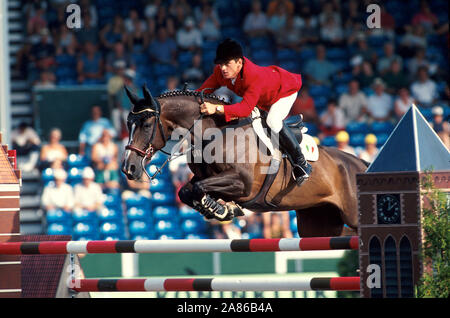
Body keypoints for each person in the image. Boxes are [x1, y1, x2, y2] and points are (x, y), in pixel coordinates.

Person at [197, 38, 311, 185]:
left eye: (227, 64)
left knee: (273, 121)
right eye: (220, 64)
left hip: (284, 91)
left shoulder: (253, 76)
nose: (223, 68)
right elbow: (202, 92)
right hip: (263, 99)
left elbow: (244, 109)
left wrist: (217, 108)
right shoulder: (220, 73)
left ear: (239, 62)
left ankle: (301, 162)